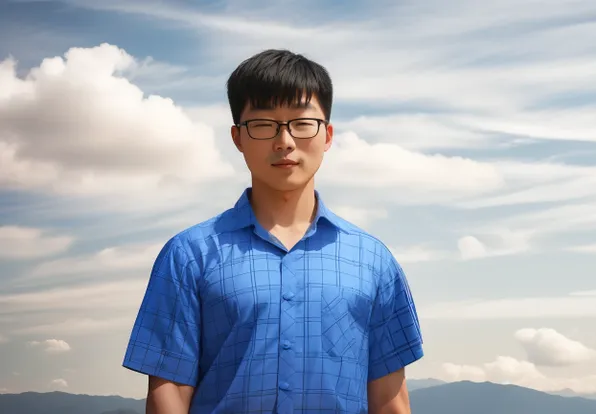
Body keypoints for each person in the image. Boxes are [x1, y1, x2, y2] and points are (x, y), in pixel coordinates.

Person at [121, 49, 424, 414]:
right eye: (264, 124)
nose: (285, 142)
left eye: (301, 123)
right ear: (237, 137)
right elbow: (168, 393)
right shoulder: (189, 254)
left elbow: (390, 399)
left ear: (327, 135)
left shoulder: (374, 260)